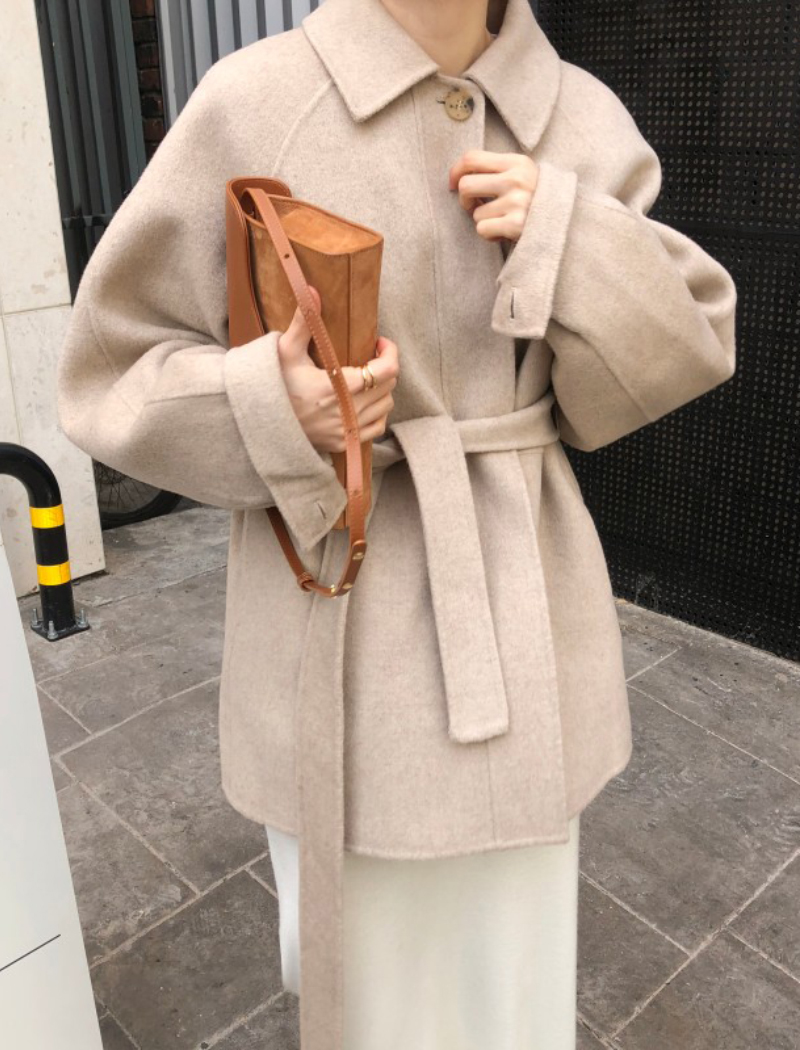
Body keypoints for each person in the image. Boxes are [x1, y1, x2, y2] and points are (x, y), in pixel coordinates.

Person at [56, 0, 737, 1047]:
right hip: (342, 618)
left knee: (511, 979)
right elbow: (111, 368)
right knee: (368, 975)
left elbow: (679, 349)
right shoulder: (255, 100)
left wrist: (569, 239)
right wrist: (273, 407)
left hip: (525, 621)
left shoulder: (581, 116)